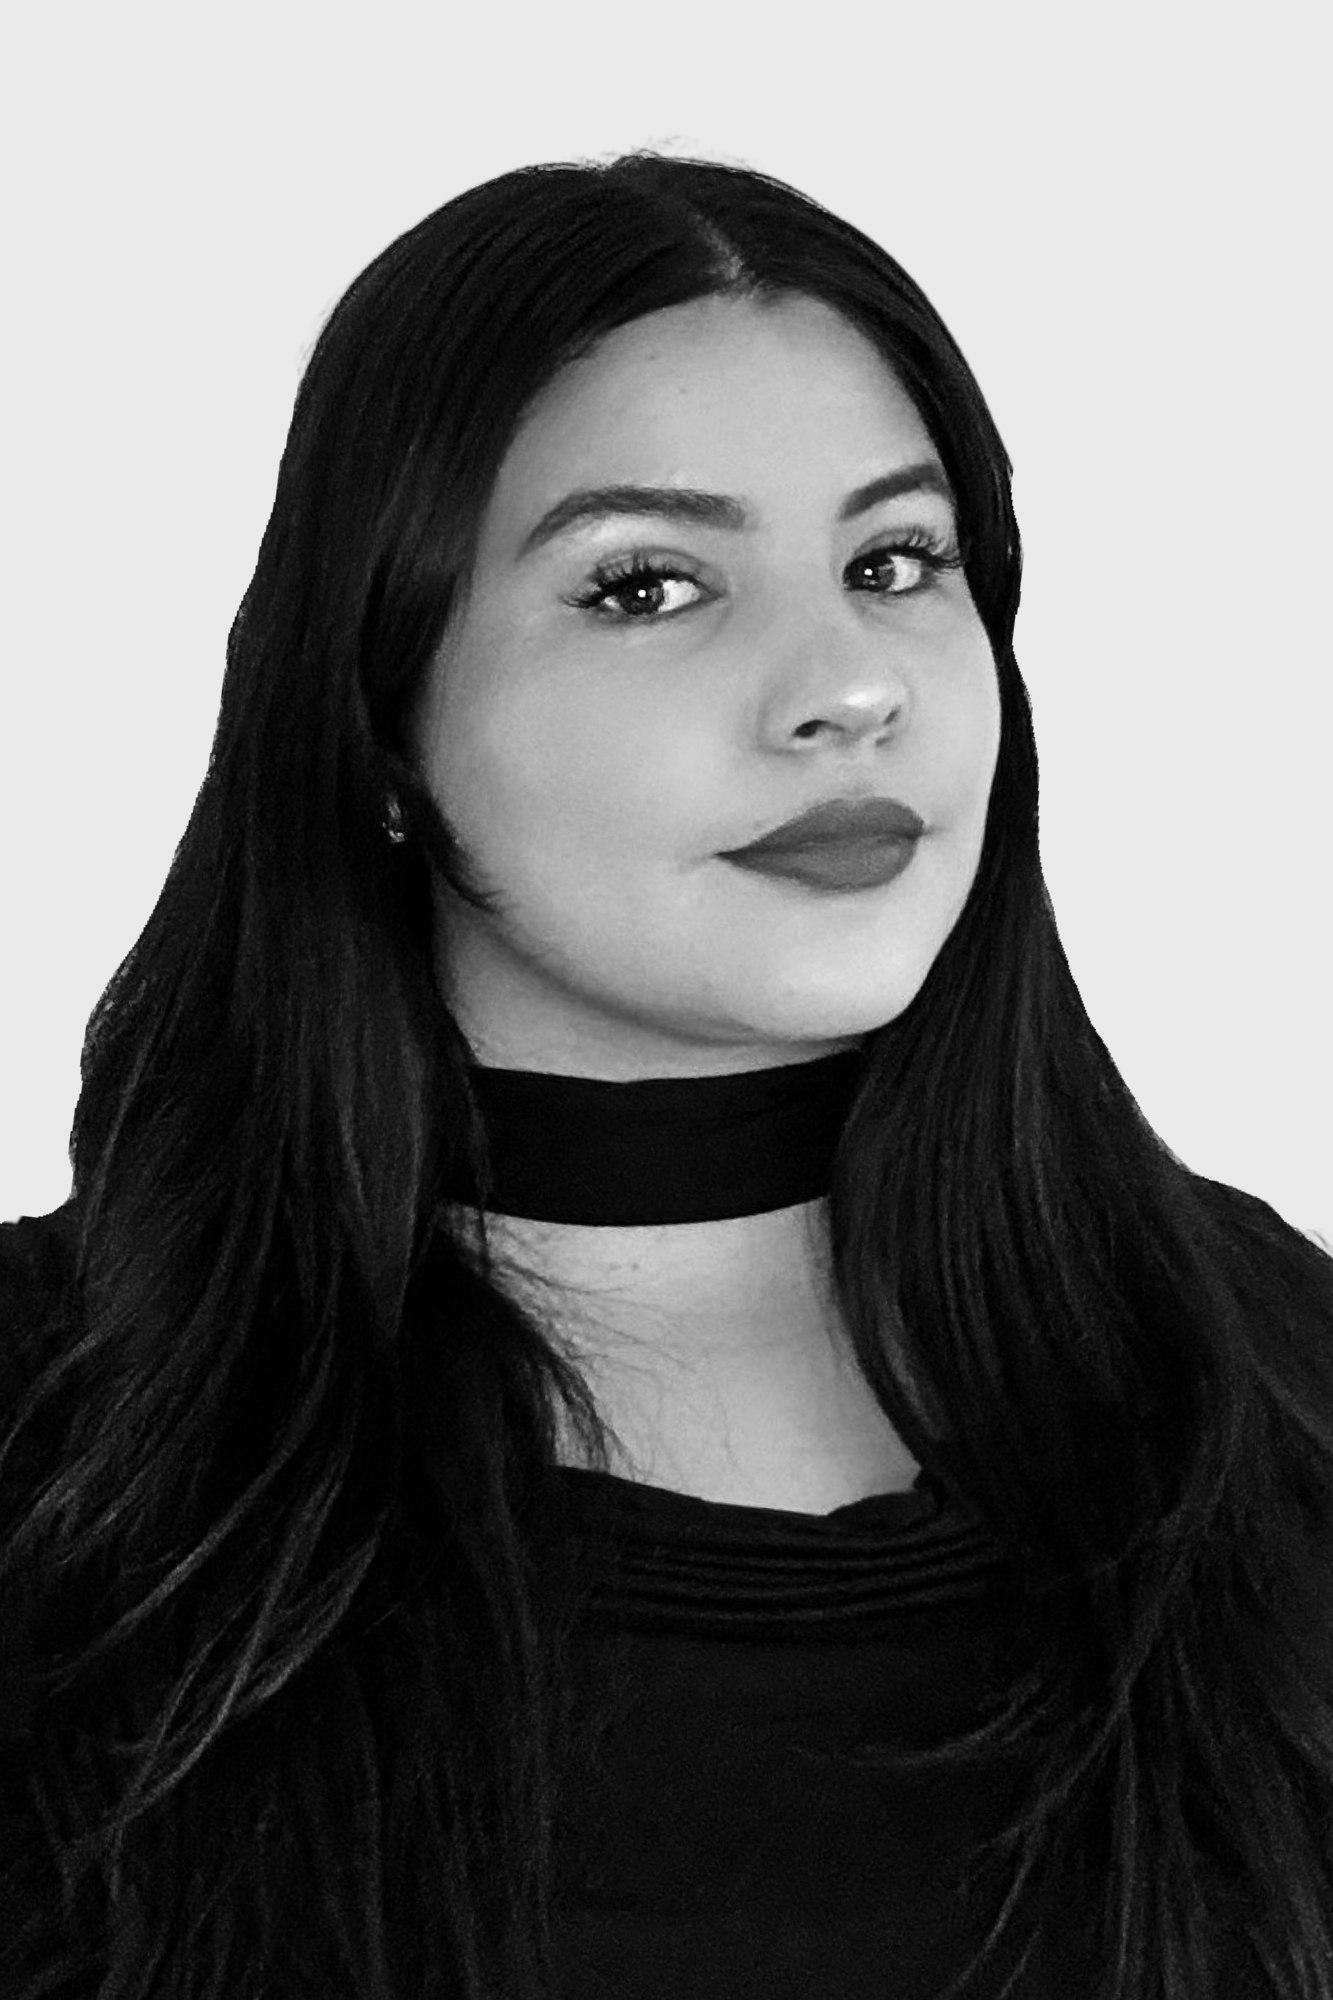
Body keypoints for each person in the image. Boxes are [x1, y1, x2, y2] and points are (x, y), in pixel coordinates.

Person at [1, 148, 1329, 2000]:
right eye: (647, 585)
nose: (848, 684)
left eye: (895, 563)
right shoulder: (58, 1446)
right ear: (379, 727)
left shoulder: (1268, 1366)